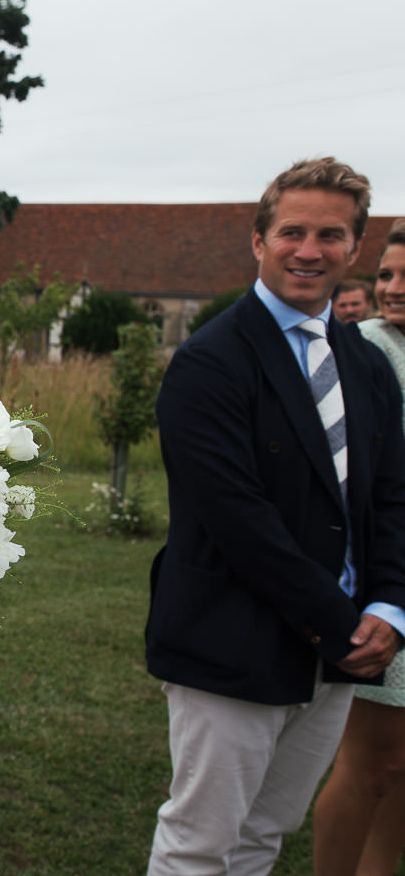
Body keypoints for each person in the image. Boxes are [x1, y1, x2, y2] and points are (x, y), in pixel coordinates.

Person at [144, 156, 405, 875]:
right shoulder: (210, 362)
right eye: (292, 232)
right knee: (201, 843)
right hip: (234, 638)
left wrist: (388, 604)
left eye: (331, 235)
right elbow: (237, 519)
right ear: (258, 241)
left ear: (354, 247)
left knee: (265, 834)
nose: (309, 250)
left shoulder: (366, 362)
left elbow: (389, 498)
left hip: (340, 646)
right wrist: (341, 621)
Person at [313, 218, 405, 875]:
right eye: (387, 277)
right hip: (388, 570)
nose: (393, 290)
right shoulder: (366, 349)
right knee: (375, 759)